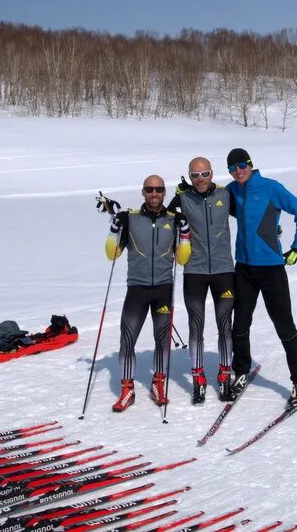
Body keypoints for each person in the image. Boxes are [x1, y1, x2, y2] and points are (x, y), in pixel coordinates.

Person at [97, 175, 191, 412]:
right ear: (143, 192)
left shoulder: (175, 219)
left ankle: (158, 383)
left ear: (164, 192)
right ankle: (127, 389)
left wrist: (186, 234)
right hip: (137, 289)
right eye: (149, 190)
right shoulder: (130, 219)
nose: (154, 194)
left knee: (162, 340)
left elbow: (182, 258)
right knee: (127, 339)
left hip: (163, 288)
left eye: (159, 190)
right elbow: (112, 254)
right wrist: (113, 230)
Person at [226, 148, 297, 407]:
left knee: (284, 325)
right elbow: (211, 203)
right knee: (239, 325)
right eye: (233, 168)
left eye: (242, 165)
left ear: (251, 165)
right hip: (243, 268)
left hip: (272, 268)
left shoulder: (271, 187)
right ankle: (240, 372)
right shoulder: (232, 190)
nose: (239, 171)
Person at [168, 157, 235, 404]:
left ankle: (225, 375)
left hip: (223, 271)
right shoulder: (184, 198)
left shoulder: (226, 195)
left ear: (211, 173)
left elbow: (250, 214)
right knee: (196, 325)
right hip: (194, 271)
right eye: (194, 175)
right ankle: (198, 378)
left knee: (224, 325)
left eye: (204, 174)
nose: (200, 180)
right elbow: (163, 219)